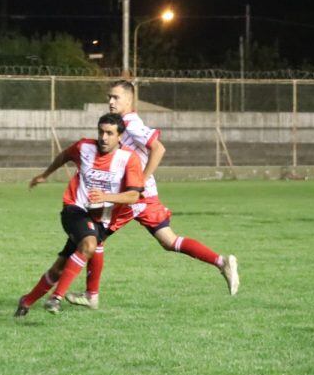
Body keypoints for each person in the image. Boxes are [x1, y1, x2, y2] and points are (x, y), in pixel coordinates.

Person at [65, 80, 239, 310]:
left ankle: (91, 295)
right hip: (144, 197)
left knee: (95, 236)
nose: (110, 101)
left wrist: (141, 181)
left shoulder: (130, 123)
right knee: (169, 241)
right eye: (109, 97)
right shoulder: (122, 123)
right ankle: (221, 262)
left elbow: (159, 148)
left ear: (129, 99)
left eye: (116, 97)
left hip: (134, 198)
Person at [15, 113, 145, 316]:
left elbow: (134, 195)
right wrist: (45, 174)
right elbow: (64, 156)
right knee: (90, 245)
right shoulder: (84, 147)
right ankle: (56, 298)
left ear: (119, 136)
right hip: (75, 208)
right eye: (101, 132)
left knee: (60, 267)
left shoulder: (129, 159)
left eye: (109, 133)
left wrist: (105, 197)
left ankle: (26, 301)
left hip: (101, 219)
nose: (103, 137)